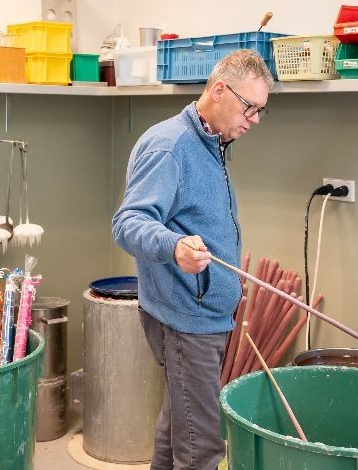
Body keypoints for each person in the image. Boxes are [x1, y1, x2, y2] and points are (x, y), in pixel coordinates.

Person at [112, 49, 273, 469]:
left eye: (261, 110)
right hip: (186, 319)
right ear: (219, 90)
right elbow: (128, 222)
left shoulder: (214, 141)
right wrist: (174, 247)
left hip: (204, 313)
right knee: (201, 448)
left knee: (176, 428)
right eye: (250, 107)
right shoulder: (172, 147)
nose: (254, 119)